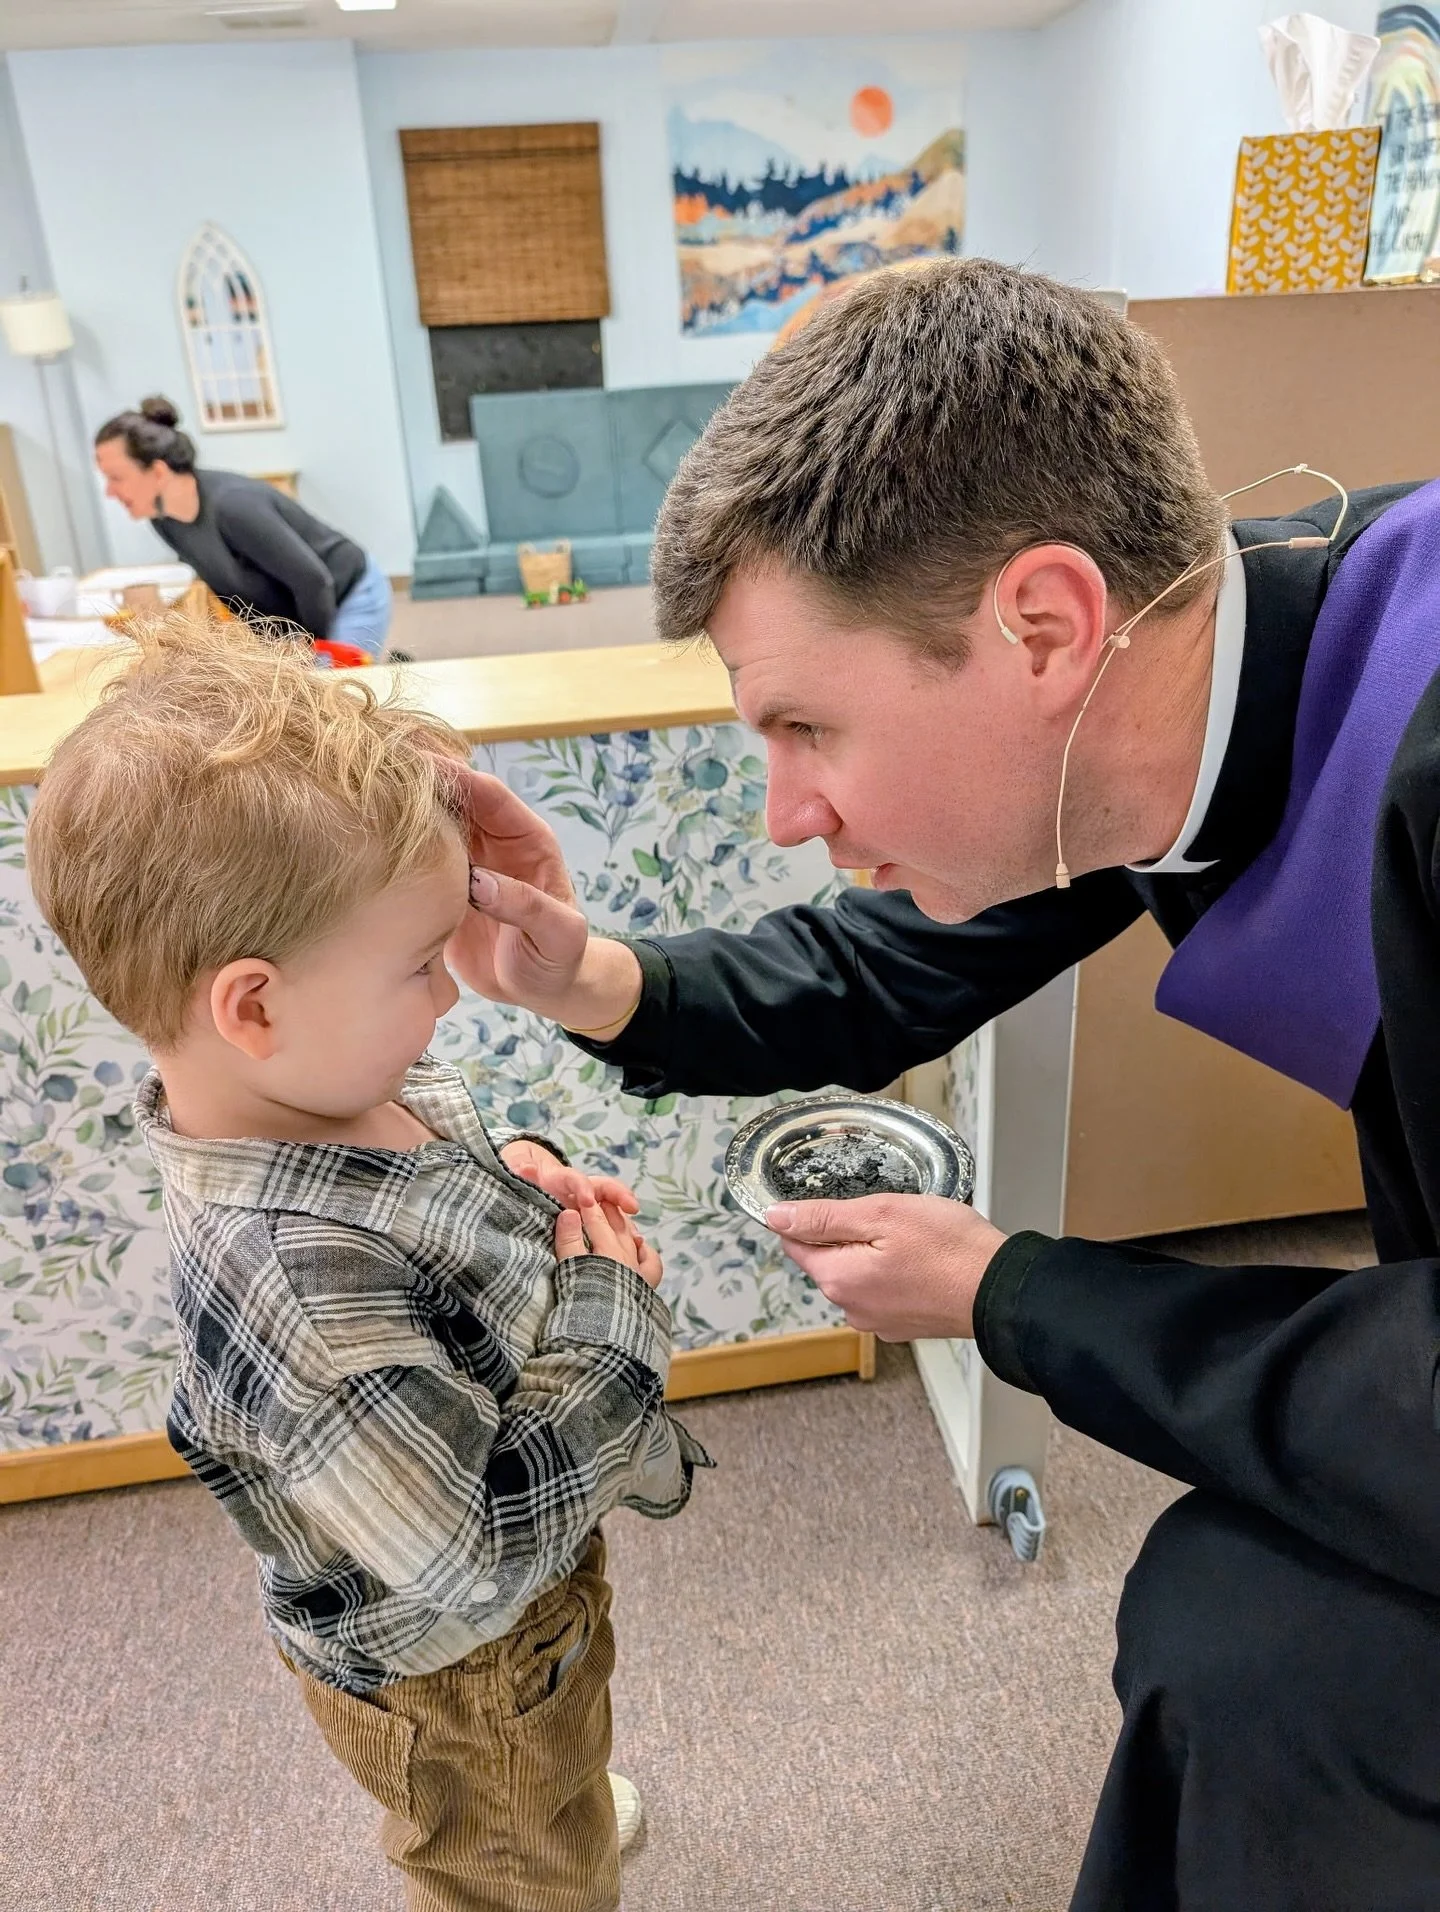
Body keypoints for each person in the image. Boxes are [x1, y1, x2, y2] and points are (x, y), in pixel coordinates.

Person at [441, 259, 1440, 1910]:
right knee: (1222, 1610)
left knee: (1260, 1662)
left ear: (1040, 624)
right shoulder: (1178, 687)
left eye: (805, 726)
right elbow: (880, 968)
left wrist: (1015, 1290)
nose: (784, 809)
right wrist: (581, 971)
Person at [26, 615, 708, 1912]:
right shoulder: (294, 1284)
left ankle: (546, 1809)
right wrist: (614, 1324)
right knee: (501, 1861)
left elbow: (431, 1170)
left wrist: (514, 1169)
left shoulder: (335, 1076)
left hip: (528, 1615)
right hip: (460, 1666)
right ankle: (525, 1851)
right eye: (415, 968)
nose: (447, 998)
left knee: (547, 1782)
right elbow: (472, 1552)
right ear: (257, 1005)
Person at [93, 397, 394, 656]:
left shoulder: (234, 507)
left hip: (349, 594)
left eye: (116, 478)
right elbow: (230, 588)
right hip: (301, 610)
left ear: (158, 472)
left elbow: (314, 582)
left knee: (329, 700)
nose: (109, 492)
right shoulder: (163, 520)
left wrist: (308, 653)